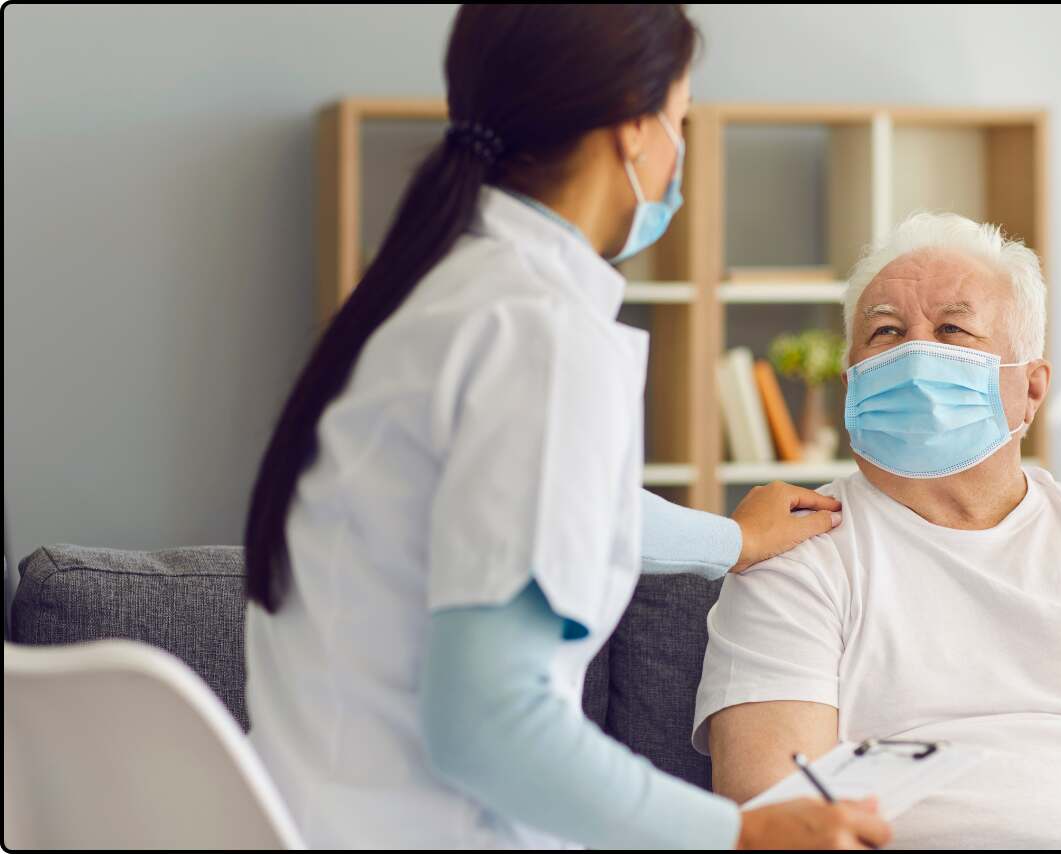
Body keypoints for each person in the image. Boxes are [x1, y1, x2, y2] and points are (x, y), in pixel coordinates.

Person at [241, 5, 891, 850]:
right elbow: (491, 728)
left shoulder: (439, 297)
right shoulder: (541, 335)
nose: (678, 153)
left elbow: (548, 509)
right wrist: (740, 835)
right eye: (681, 121)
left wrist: (729, 543)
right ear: (634, 130)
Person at [692, 211, 1061, 848]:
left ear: (1030, 390)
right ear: (850, 383)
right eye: (885, 331)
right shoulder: (795, 548)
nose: (916, 353)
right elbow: (776, 816)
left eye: (952, 329)